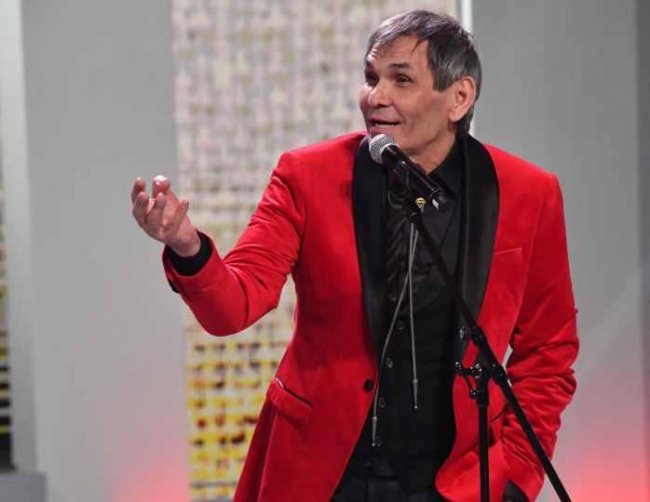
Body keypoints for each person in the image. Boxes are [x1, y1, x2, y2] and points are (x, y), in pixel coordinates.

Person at [131, 10, 578, 502]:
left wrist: (514, 477)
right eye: (370, 77)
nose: (375, 97)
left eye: (400, 80)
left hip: (460, 481)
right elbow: (233, 306)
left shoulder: (528, 194)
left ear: (459, 97)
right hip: (325, 473)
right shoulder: (307, 177)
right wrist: (188, 247)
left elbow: (549, 354)